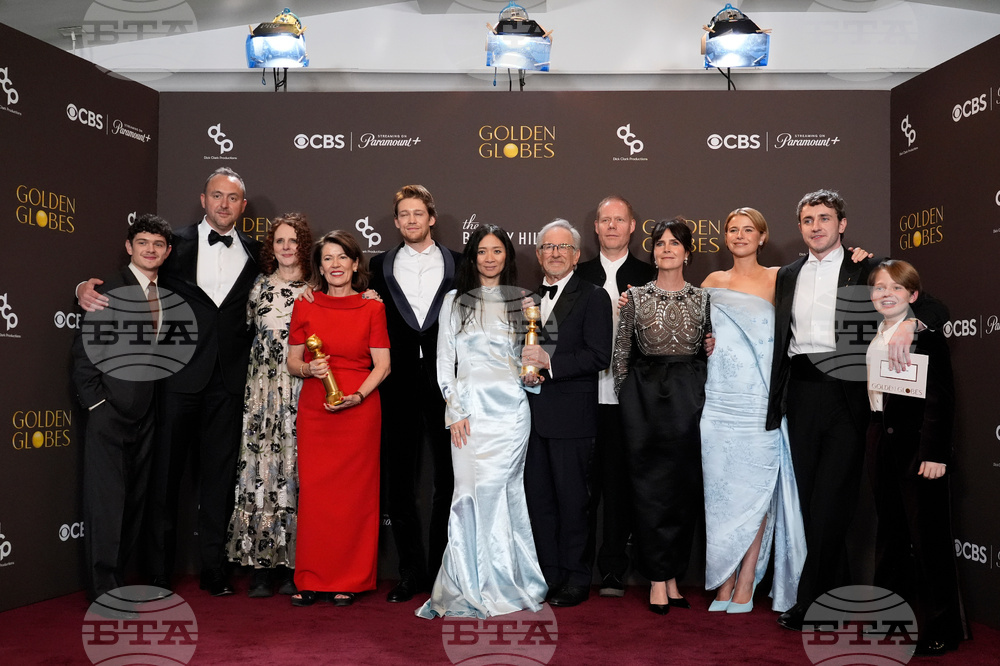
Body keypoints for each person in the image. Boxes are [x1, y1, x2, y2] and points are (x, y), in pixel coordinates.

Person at [767, 189, 948, 631]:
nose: (816, 226)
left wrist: (911, 323)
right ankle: (835, 597)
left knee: (832, 502)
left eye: (825, 218)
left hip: (850, 398)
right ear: (800, 227)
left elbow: (935, 308)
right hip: (802, 395)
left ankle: (812, 601)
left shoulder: (868, 267)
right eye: (808, 219)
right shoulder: (788, 273)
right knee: (814, 504)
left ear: (842, 224)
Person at [78, 167, 262, 596]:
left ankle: (214, 568)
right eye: (216, 195)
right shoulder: (172, 245)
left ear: (242, 206)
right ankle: (159, 571)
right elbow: (126, 282)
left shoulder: (258, 253)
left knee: (219, 481)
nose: (223, 204)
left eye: (232, 198)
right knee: (163, 481)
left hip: (231, 383)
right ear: (203, 200)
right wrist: (81, 287)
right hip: (175, 380)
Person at [416, 225, 547, 619]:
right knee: (469, 495)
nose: (489, 258)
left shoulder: (527, 300)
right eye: (482, 251)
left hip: (511, 413)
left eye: (497, 251)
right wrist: (454, 410)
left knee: (505, 493)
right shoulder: (454, 301)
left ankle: (509, 581)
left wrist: (533, 375)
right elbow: (444, 363)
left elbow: (536, 361)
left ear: (508, 256)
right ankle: (467, 584)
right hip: (469, 413)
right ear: (472, 258)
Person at [700, 207, 806, 614]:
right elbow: (701, 334)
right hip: (718, 402)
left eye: (748, 230)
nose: (740, 236)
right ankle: (723, 581)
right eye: (732, 229)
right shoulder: (711, 282)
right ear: (724, 237)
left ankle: (746, 579)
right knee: (721, 495)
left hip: (760, 402)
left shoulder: (780, 277)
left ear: (763, 237)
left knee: (756, 493)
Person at [866, 260, 966, 657]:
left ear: (913, 296)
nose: (885, 293)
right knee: (891, 539)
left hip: (918, 450)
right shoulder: (875, 332)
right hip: (881, 444)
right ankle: (893, 621)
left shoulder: (926, 333)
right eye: (878, 288)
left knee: (929, 541)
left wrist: (936, 454)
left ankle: (943, 628)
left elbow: (941, 398)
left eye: (895, 287)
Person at [285, 230, 390, 607]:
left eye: (342, 257)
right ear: (319, 266)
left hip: (359, 409)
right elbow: (292, 361)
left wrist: (359, 395)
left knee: (354, 498)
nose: (335, 265)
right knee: (315, 496)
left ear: (356, 263)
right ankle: (311, 577)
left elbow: (383, 365)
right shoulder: (305, 305)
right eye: (327, 259)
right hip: (317, 409)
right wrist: (309, 370)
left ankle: (351, 579)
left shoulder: (372, 307)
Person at [71, 214, 172, 604]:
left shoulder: (167, 294)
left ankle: (120, 582)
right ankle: (103, 591)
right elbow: (83, 355)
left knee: (133, 503)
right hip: (109, 412)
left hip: (147, 413)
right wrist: (97, 404)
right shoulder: (106, 292)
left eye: (158, 244)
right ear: (129, 247)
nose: (150, 249)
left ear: (166, 252)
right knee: (106, 504)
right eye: (143, 242)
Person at [613, 217, 710, 615]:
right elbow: (620, 355)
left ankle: (673, 575)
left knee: (683, 489)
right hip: (644, 398)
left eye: (675, 243)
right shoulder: (634, 297)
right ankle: (655, 577)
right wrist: (627, 401)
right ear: (652, 251)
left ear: (688, 251)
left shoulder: (704, 298)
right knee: (649, 488)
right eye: (660, 243)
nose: (666, 248)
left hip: (689, 397)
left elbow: (708, 350)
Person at [369, 185, 461, 603]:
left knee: (449, 478)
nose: (411, 220)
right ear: (395, 221)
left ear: (432, 217)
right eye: (403, 214)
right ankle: (409, 572)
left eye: (418, 213)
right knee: (399, 481)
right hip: (396, 382)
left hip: (447, 385)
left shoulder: (459, 266)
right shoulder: (377, 266)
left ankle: (443, 570)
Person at [522, 219, 612, 608]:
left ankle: (577, 578)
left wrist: (550, 362)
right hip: (527, 418)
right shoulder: (525, 299)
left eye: (563, 247)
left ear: (576, 254)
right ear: (539, 254)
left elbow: (598, 355)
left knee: (574, 501)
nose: (555, 253)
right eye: (547, 247)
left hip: (572, 416)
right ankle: (549, 575)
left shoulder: (593, 296)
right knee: (539, 501)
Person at [225, 213, 313, 598]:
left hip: (302, 391)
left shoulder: (317, 287)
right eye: (279, 241)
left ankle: (299, 563)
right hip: (262, 394)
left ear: (303, 245)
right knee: (263, 471)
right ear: (270, 247)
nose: (287, 247)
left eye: (293, 240)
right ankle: (262, 565)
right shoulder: (257, 287)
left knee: (299, 472)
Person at [576, 195, 654, 598]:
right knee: (582, 486)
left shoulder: (650, 272)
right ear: (595, 227)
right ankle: (577, 567)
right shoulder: (577, 272)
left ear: (632, 226)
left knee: (621, 487)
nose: (611, 227)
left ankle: (613, 569)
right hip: (582, 397)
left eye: (619, 220)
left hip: (630, 399)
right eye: (604, 220)